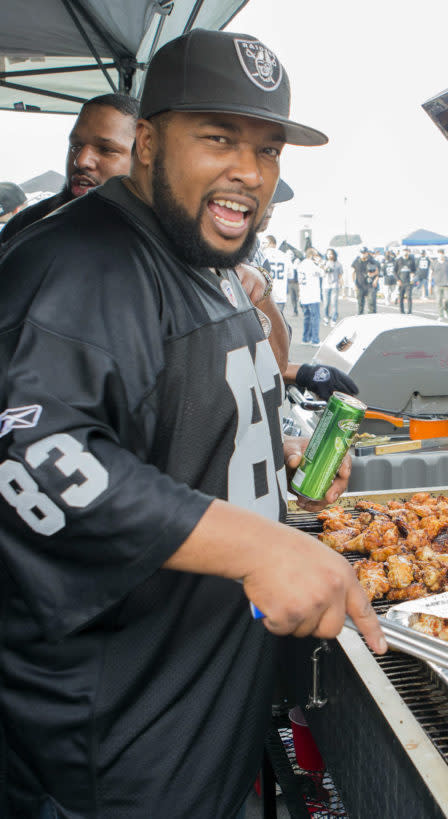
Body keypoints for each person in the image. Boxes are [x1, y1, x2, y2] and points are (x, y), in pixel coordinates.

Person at [0, 29, 385, 818]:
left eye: (269, 149)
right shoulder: (80, 264)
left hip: (206, 726)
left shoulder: (199, 254)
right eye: (218, 138)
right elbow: (33, 453)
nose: (249, 171)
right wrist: (260, 542)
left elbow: (162, 414)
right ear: (146, 141)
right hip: (117, 759)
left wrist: (264, 450)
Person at [0, 93, 138, 247]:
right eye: (75, 146)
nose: (80, 160)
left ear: (143, 157)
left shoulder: (158, 237)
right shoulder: (27, 225)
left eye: (105, 149)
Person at [298, 246, 324, 344]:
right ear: (312, 256)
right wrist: (320, 263)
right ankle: (315, 339)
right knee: (315, 317)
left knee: (307, 317)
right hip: (313, 295)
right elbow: (322, 273)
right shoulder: (312, 265)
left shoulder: (301, 264)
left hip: (304, 294)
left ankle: (305, 338)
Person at [433, 247, 448, 319]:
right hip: (437, 284)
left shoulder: (447, 262)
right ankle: (440, 315)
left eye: (442, 254)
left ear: (443, 254)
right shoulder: (434, 262)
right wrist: (430, 281)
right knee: (439, 300)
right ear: (437, 255)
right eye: (439, 254)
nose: (440, 255)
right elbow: (431, 272)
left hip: (446, 284)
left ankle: (446, 309)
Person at [396, 246, 417, 314]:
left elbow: (414, 269)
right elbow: (394, 271)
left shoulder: (411, 260)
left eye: (406, 250)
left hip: (408, 281)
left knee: (409, 297)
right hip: (401, 281)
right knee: (401, 297)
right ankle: (402, 311)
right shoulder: (399, 260)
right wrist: (398, 280)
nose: (405, 252)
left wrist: (413, 274)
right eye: (404, 250)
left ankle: (409, 311)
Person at [323, 247, 341, 322]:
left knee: (334, 302)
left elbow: (340, 275)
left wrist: (341, 284)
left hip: (334, 285)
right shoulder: (324, 263)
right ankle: (326, 316)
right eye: (328, 254)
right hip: (326, 285)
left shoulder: (338, 264)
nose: (330, 255)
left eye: (331, 254)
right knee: (326, 302)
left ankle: (334, 317)